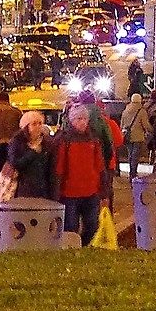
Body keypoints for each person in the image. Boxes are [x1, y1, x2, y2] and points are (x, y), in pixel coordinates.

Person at [51, 103, 114, 247]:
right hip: (69, 193)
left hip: (91, 192)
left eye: (85, 118)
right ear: (72, 121)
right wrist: (56, 194)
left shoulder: (93, 139)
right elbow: (59, 169)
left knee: (92, 226)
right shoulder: (65, 140)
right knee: (70, 227)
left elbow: (100, 167)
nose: (82, 122)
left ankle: (85, 248)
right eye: (79, 118)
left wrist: (104, 193)